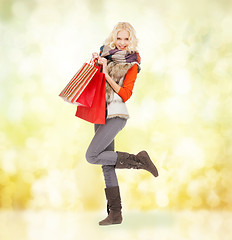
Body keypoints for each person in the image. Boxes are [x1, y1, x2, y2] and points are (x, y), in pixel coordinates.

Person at [85, 22, 159, 226]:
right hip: (100, 112)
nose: (123, 43)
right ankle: (115, 215)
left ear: (131, 41)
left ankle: (139, 160)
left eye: (127, 39)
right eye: (119, 38)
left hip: (116, 115)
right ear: (114, 38)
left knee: (91, 156)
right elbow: (93, 83)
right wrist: (96, 64)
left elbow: (125, 94)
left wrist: (107, 75)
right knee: (106, 164)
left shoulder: (132, 65)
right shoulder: (105, 55)